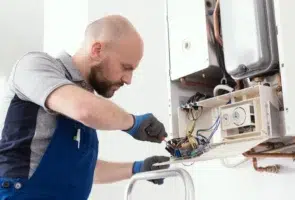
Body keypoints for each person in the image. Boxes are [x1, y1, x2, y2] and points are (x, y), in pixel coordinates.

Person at [0, 15, 170, 199]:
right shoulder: (35, 66)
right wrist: (133, 123)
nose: (128, 79)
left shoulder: (87, 103)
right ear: (97, 50)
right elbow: (83, 109)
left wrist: (137, 167)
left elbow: (84, 168)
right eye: (125, 67)